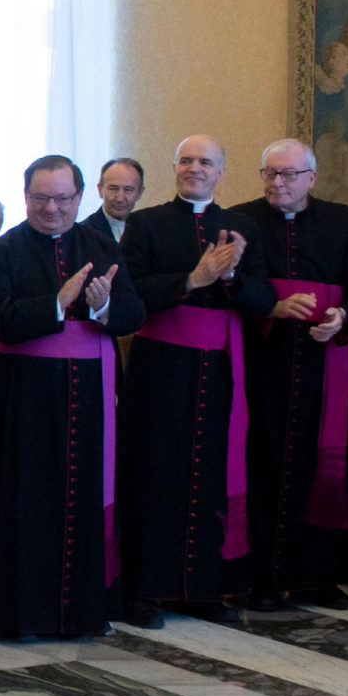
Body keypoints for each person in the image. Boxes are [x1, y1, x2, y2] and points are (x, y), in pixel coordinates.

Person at [0, 157, 143, 639]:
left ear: (80, 197)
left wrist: (104, 305)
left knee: (82, 498)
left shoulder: (103, 246)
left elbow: (133, 314)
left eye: (62, 199)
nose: (51, 208)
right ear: (25, 196)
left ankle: (81, 611)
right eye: (41, 198)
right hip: (20, 396)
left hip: (87, 396)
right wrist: (57, 304)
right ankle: (18, 614)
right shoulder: (0, 252)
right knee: (24, 500)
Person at [120, 135, 274, 624]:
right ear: (174, 167)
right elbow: (129, 292)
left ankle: (201, 588)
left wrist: (231, 279)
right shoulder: (146, 223)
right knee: (156, 471)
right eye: (186, 160)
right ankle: (145, 589)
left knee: (210, 473)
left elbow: (263, 300)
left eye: (205, 161)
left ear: (220, 171)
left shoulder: (242, 227)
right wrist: (193, 279)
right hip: (159, 367)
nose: (195, 168)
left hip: (219, 370)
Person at [228, 140, 348, 607]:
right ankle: (259, 579)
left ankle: (318, 576)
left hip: (323, 365)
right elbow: (230, 286)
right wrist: (269, 305)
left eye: (289, 174)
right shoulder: (240, 219)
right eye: (270, 173)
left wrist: (343, 317)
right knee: (260, 464)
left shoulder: (343, 220)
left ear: (311, 178)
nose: (278, 183)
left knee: (322, 466)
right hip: (262, 360)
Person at [90, 159, 144, 242]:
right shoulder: (83, 234)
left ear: (139, 193)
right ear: (100, 190)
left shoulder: (146, 232)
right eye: (113, 189)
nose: (120, 199)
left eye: (128, 190)